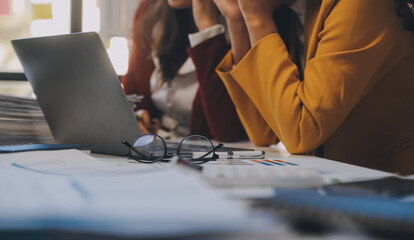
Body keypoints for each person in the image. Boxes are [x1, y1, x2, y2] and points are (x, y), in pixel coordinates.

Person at [213, 0, 414, 174]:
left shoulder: (359, 5)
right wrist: (238, 20)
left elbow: (301, 132)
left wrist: (257, 19)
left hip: (393, 189)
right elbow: (264, 132)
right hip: (345, 182)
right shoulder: (294, 10)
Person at [122, 0, 245, 142]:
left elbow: (228, 131)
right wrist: (136, 117)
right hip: (159, 146)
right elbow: (132, 95)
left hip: (206, 154)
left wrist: (207, 26)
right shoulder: (150, 8)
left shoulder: (238, 21)